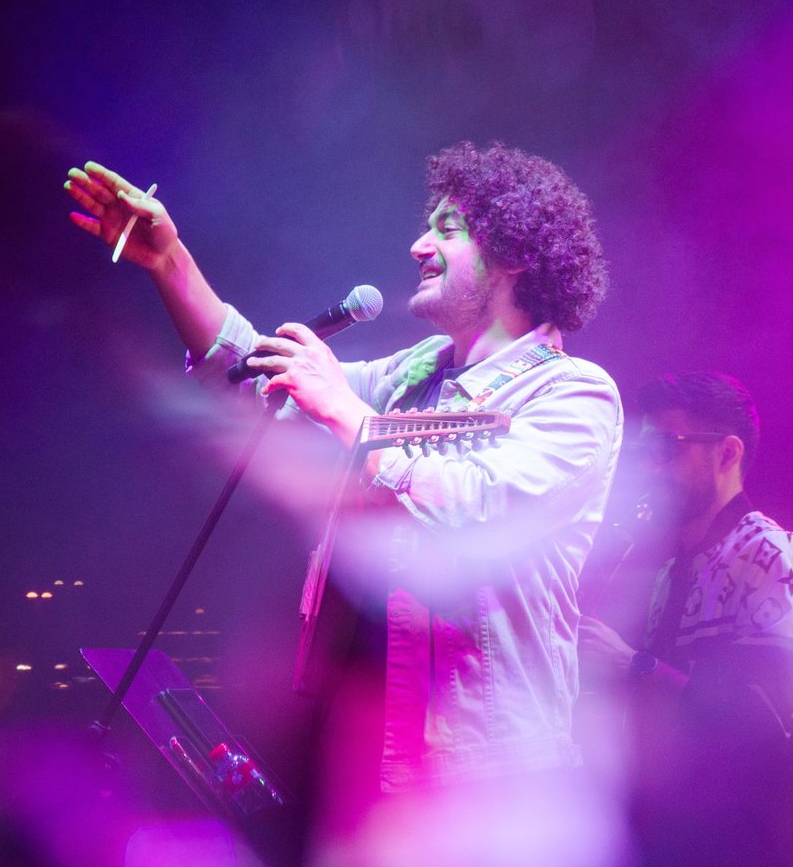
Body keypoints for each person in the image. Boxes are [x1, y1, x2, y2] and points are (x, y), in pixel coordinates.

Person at [64, 141, 623, 850]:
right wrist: (170, 261)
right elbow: (262, 383)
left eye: (448, 229)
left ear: (513, 253)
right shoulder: (414, 375)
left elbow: (479, 507)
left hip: (490, 780)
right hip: (369, 760)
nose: (419, 244)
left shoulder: (573, 393)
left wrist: (346, 412)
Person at [579, 370, 793, 866]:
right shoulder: (666, 569)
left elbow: (768, 720)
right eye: (642, 453)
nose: (648, 469)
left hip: (744, 840)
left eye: (665, 449)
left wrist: (634, 665)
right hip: (666, 830)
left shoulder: (772, 551)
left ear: (727, 454)